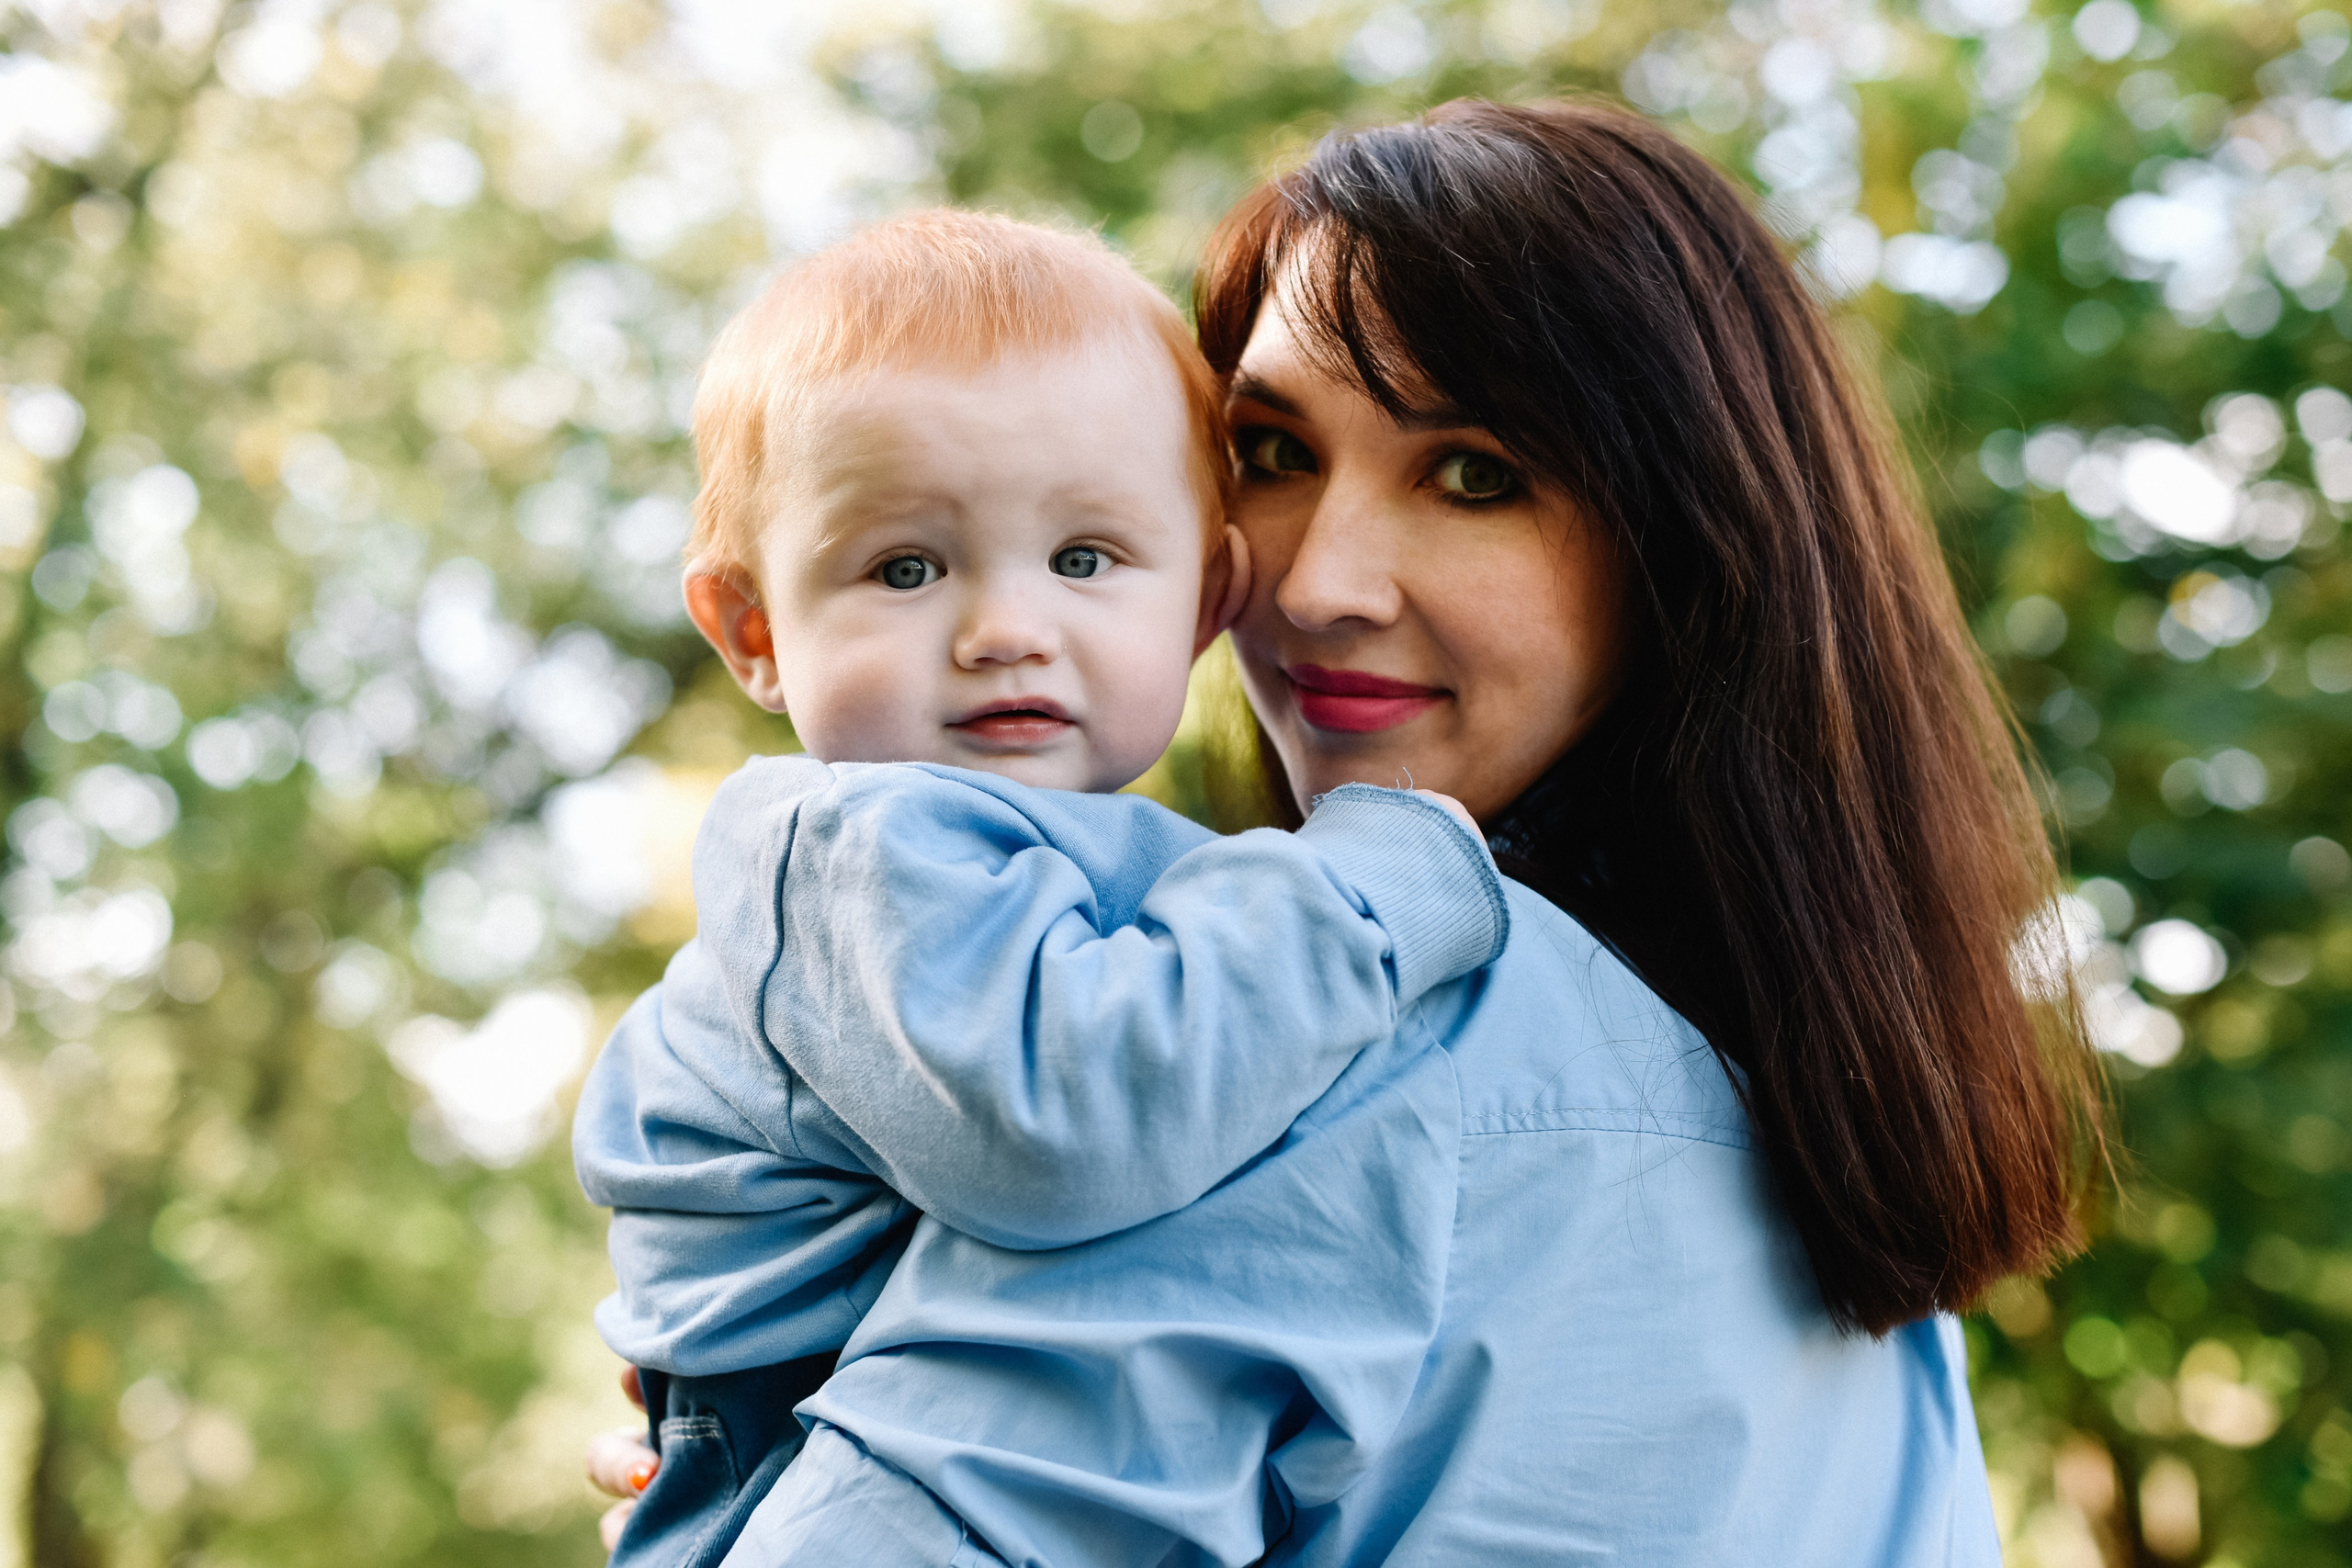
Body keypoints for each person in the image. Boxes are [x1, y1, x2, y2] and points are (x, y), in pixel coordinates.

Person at [594, 98, 2101, 1565]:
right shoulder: (1856, 1170)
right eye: (1272, 452)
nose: (1312, 585)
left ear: (1691, 548)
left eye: (1473, 475)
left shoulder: (1324, 1056)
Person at [573, 208, 1510, 1568]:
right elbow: (1066, 1126)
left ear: (1203, 604)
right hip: (813, 1476)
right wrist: (1373, 884)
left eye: (1084, 560)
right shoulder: (859, 851)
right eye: (905, 567)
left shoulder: (1050, 849)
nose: (1005, 629)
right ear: (755, 632)